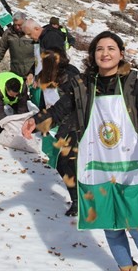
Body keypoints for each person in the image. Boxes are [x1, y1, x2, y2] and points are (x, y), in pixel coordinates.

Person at [22, 31, 138, 271]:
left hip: (129, 166)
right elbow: (60, 109)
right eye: (99, 49)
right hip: (97, 165)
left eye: (111, 48)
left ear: (121, 54)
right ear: (93, 55)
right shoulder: (84, 85)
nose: (105, 53)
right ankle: (126, 267)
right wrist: (36, 121)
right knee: (110, 224)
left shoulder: (131, 83)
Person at [36, 47, 81, 216]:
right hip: (62, 125)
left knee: (66, 163)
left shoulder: (70, 76)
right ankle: (78, 199)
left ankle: (79, 201)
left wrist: (62, 130)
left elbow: (75, 107)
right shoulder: (55, 75)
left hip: (76, 124)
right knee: (63, 163)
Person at [0, 11, 35, 78]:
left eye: (19, 25)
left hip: (32, 72)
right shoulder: (9, 32)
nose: (17, 27)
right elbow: (2, 47)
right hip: (15, 71)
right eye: (15, 25)